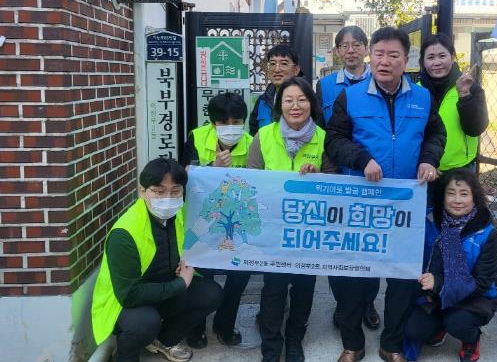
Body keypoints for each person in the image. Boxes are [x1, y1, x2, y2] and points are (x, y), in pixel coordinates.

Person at [326, 26, 446, 362]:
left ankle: (391, 345)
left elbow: (436, 134)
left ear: (406, 60)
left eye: (393, 55)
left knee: (403, 278)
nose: (384, 61)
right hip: (361, 205)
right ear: (370, 56)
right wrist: (362, 159)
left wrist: (428, 159)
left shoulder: (423, 97)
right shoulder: (350, 97)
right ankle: (352, 344)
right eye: (378, 54)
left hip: (405, 205)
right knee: (353, 278)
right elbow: (334, 140)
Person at [91, 158, 222, 362]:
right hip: (126, 303)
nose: (168, 199)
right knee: (144, 323)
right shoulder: (124, 233)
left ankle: (163, 340)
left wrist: (187, 262)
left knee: (211, 293)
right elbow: (129, 295)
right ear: (142, 191)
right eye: (159, 192)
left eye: (175, 191)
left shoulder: (179, 215)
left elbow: (199, 232)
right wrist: (181, 283)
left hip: (163, 286)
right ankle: (126, 356)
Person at [247, 76, 338, 362]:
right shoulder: (264, 136)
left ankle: (295, 338)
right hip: (273, 229)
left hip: (308, 229)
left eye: (301, 99)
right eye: (288, 100)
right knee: (273, 287)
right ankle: (271, 346)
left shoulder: (324, 138)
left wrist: (319, 175)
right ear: (279, 105)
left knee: (304, 286)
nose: (295, 106)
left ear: (312, 104)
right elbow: (251, 181)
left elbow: (335, 184)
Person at [316, 25, 381, 332]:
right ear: (337, 51)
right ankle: (343, 305)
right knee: (338, 247)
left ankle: (367, 303)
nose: (351, 50)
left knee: (370, 245)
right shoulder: (325, 85)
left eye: (357, 44)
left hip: (372, 177)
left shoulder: (380, 80)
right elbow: (323, 133)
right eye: (345, 45)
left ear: (366, 48)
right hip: (339, 177)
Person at [180, 92, 253, 348]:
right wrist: (213, 168)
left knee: (239, 275)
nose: (230, 127)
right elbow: (184, 176)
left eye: (236, 121)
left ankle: (225, 325)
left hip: (236, 222)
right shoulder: (197, 137)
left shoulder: (253, 143)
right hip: (202, 219)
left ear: (244, 122)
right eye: (223, 122)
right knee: (202, 274)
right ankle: (196, 326)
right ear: (213, 123)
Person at [403, 170, 497, 362]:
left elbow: (483, 281)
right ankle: (439, 326)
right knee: (413, 329)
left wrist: (439, 283)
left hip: (473, 298)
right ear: (442, 196)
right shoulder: (430, 220)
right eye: (451, 193)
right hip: (434, 295)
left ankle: (471, 340)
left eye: (464, 194)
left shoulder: (485, 231)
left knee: (458, 323)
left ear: (474, 197)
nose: (457, 200)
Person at [418, 33, 488, 176]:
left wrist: (464, 95)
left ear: (452, 57)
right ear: (423, 61)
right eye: (430, 57)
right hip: (425, 168)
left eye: (442, 56)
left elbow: (476, 128)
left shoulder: (470, 88)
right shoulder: (415, 91)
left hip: (461, 168)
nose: (437, 62)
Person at [249, 44, 301, 136]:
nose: (277, 70)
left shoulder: (307, 100)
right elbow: (254, 133)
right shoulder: (262, 101)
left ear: (296, 70)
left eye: (284, 64)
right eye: (272, 64)